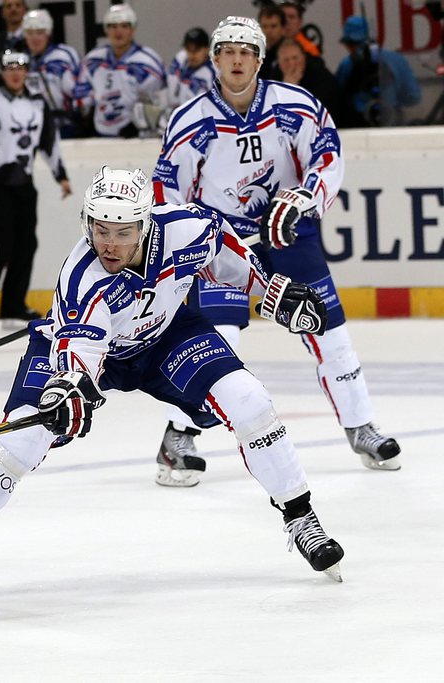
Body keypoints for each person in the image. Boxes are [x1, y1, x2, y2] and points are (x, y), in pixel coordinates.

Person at [0, 166, 346, 601]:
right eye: (101, 230)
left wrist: (270, 289)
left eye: (122, 231)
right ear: (87, 223)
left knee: (250, 401)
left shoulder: (189, 228)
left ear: (145, 222)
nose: (110, 244)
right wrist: (70, 389)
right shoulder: (82, 278)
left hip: (166, 336)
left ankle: (300, 516)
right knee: (22, 436)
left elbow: (229, 257)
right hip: (88, 351)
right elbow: (82, 355)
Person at [150, 15, 400, 487]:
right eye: (228, 51)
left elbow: (327, 154)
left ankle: (362, 425)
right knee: (218, 340)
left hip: (287, 233)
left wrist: (306, 196)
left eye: (247, 51)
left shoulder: (296, 105)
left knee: (330, 332)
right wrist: (184, 243)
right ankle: (177, 437)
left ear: (260, 59)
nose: (237, 59)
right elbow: (166, 190)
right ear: (216, 59)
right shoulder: (190, 121)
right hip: (221, 246)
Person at [0, 50, 71, 328]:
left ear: (27, 72)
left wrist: (61, 175)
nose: (15, 73)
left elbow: (49, 141)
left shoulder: (37, 103)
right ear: (1, 73)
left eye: (20, 68)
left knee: (26, 244)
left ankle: (13, 306)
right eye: (9, 68)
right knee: (0, 243)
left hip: (23, 184)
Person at [78, 3, 164, 138]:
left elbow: (158, 103)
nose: (118, 32)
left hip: (137, 139)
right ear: (106, 30)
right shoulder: (92, 60)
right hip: (100, 136)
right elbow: (81, 96)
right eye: (113, 26)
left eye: (124, 26)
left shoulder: (148, 62)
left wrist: (138, 124)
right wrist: (83, 115)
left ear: (133, 29)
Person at [336, 15, 421, 127]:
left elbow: (336, 101)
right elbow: (413, 97)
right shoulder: (397, 60)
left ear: (348, 43)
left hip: (359, 129)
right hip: (395, 127)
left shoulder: (346, 65)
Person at [21, 9, 87, 138]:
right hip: (33, 128)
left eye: (40, 33)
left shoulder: (64, 55)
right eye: (30, 33)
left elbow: (81, 87)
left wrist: (81, 113)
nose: (35, 38)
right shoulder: (22, 61)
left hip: (65, 125)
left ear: (48, 33)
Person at [276, 38, 349, 126]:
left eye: (295, 58)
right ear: (279, 63)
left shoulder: (320, 76)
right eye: (286, 60)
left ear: (303, 58)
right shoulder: (274, 78)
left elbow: (318, 112)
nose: (291, 63)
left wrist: (290, 91)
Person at [165, 27, 216, 109]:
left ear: (207, 49)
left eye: (196, 50)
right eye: (188, 49)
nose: (192, 55)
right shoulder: (181, 60)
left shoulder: (212, 74)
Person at [257, 3, 287, 80]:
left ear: (283, 29)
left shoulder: (291, 54)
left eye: (273, 26)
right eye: (264, 26)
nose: (268, 31)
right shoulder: (256, 54)